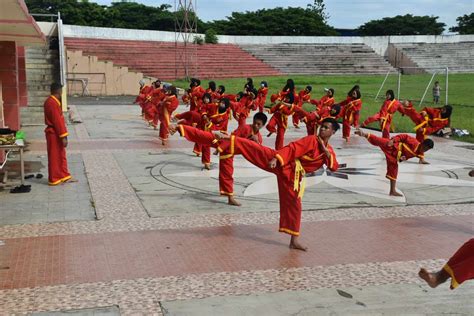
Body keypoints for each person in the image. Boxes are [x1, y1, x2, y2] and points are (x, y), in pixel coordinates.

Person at [172, 117, 340, 251]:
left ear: (333, 131)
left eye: (326, 128)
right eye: (322, 126)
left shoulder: (327, 150)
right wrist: (276, 158)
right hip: (281, 162)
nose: (322, 129)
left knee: (295, 206)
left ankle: (293, 240)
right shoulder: (311, 139)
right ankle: (189, 130)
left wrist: (326, 152)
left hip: (292, 176)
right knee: (246, 144)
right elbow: (293, 148)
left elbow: (334, 166)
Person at [355, 129, 433, 196]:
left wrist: (402, 159)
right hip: (392, 145)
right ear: (422, 143)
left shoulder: (418, 153)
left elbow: (406, 156)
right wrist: (393, 140)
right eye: (424, 147)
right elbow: (403, 136)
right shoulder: (414, 142)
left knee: (394, 170)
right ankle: (363, 133)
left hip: (394, 156)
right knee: (379, 140)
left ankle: (392, 191)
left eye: (426, 150)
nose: (424, 150)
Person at [44, 83, 76, 186]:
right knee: (54, 156)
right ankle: (54, 178)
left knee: (60, 154)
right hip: (54, 133)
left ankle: (64, 175)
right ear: (59, 91)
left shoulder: (53, 101)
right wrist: (63, 136)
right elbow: (57, 121)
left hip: (56, 132)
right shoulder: (51, 103)